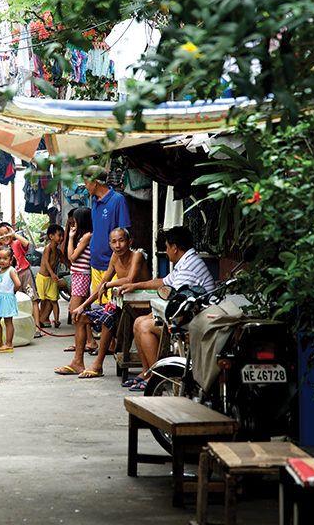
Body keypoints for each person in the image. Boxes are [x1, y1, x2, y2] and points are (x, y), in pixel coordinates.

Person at [118, 226, 216, 391]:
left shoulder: (189, 266)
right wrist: (134, 286)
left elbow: (174, 299)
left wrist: (152, 315)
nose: (167, 251)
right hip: (187, 316)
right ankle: (147, 372)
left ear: (175, 247)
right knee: (138, 322)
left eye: (167, 247)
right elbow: (164, 282)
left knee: (144, 326)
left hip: (195, 322)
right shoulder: (184, 262)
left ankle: (156, 377)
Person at [55, 227, 150, 378]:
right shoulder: (115, 257)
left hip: (141, 307)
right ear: (110, 244)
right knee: (80, 317)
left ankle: (98, 365)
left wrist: (108, 285)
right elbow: (102, 283)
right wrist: (83, 305)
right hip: (121, 307)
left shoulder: (137, 255)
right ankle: (77, 363)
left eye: (121, 241)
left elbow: (130, 279)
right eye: (114, 242)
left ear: (129, 242)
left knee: (107, 316)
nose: (118, 245)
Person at [83, 165, 131, 305]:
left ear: (94, 183)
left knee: (112, 306)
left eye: (86, 183)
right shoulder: (94, 201)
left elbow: (124, 233)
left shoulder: (118, 200)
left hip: (112, 264)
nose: (86, 187)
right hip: (95, 262)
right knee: (99, 305)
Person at [0, 221, 39, 327]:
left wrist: (14, 234)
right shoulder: (1, 250)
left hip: (24, 273)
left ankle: (37, 327)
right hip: (11, 278)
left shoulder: (16, 243)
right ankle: (23, 328)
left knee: (33, 299)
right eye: (1, 234)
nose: (4, 236)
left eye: (6, 233)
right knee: (19, 302)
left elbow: (26, 243)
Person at [65, 206, 93, 344]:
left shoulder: (87, 236)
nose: (73, 224)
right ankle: (89, 341)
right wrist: (71, 237)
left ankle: (82, 344)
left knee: (75, 312)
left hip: (81, 276)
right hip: (78, 275)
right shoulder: (83, 237)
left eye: (75, 221)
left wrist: (71, 238)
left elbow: (72, 257)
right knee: (80, 312)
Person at [0, 245, 21, 353]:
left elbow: (18, 283)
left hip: (7, 298)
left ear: (11, 260)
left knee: (8, 321)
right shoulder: (0, 270)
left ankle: (9, 344)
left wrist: (13, 292)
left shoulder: (11, 270)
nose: (2, 261)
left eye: (5, 258)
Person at [35, 224, 65, 331]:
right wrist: (52, 273)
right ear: (51, 236)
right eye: (59, 235)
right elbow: (46, 262)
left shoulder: (58, 252)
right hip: (42, 278)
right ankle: (37, 321)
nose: (61, 238)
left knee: (54, 300)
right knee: (39, 300)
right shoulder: (48, 248)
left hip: (51, 279)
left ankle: (56, 320)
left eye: (63, 236)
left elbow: (65, 261)